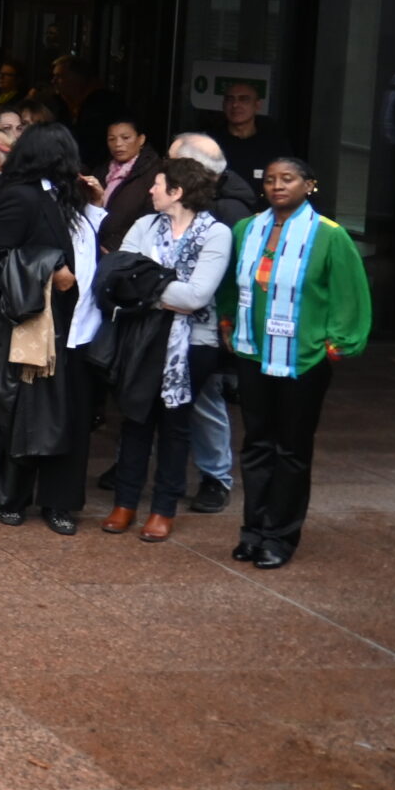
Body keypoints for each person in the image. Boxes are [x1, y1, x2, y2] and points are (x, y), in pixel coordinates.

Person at [223, 156, 371, 569]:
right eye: (270, 179)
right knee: (256, 444)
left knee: (291, 448)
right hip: (253, 352)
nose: (277, 186)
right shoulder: (246, 229)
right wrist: (226, 319)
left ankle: (279, 537)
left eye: (287, 179)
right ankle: (252, 531)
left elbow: (349, 292)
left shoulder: (329, 235)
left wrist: (340, 341)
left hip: (302, 358)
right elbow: (231, 284)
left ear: (310, 185)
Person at [98, 157, 232, 542]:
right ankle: (124, 504)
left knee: (175, 426)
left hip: (193, 344)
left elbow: (197, 297)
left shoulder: (216, 234)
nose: (150, 190)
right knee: (136, 419)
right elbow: (118, 278)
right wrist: (159, 289)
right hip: (142, 339)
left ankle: (163, 509)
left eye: (158, 185)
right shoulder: (144, 225)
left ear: (178, 191)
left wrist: (149, 288)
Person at [0, 123, 95, 534]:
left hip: (75, 326)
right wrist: (50, 269)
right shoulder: (19, 196)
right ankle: (11, 498)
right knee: (21, 412)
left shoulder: (66, 195)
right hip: (30, 323)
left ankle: (60, 502)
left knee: (69, 415)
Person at [164, 131, 253, 513]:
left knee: (204, 398)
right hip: (173, 312)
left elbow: (231, 279)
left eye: (172, 163)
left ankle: (216, 477)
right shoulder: (185, 198)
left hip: (206, 319)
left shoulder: (229, 211)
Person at [211, 80, 285, 207]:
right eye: (230, 99)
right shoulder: (210, 142)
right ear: (223, 105)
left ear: (257, 105)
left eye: (243, 99)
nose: (235, 105)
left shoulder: (273, 143)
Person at [95, 118, 164, 253]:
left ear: (141, 139)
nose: (118, 144)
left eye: (126, 138)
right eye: (111, 139)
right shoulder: (102, 170)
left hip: (125, 249)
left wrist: (113, 245)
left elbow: (150, 216)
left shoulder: (155, 173)